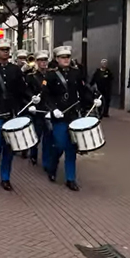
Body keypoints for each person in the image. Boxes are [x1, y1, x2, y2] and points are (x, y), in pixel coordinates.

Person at [42, 46, 100, 191]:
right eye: (62, 57)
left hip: (73, 115)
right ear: (57, 59)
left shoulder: (76, 73)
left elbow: (84, 90)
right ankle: (52, 166)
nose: (66, 59)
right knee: (60, 144)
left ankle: (70, 178)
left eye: (67, 57)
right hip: (58, 115)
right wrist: (53, 109)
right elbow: (46, 95)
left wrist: (93, 99)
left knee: (71, 148)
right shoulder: (50, 75)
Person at [0, 40, 31, 191]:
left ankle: (6, 177)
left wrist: (32, 98)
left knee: (9, 146)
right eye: (2, 50)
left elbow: (22, 90)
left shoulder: (15, 70)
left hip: (11, 112)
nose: (5, 52)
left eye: (7, 50)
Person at [25, 50, 53, 170]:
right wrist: (30, 100)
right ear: (36, 62)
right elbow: (25, 91)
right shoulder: (31, 76)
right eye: (41, 60)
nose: (43, 63)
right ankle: (33, 154)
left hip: (49, 109)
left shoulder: (52, 75)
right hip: (36, 110)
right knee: (36, 135)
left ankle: (46, 162)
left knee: (48, 137)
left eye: (45, 60)